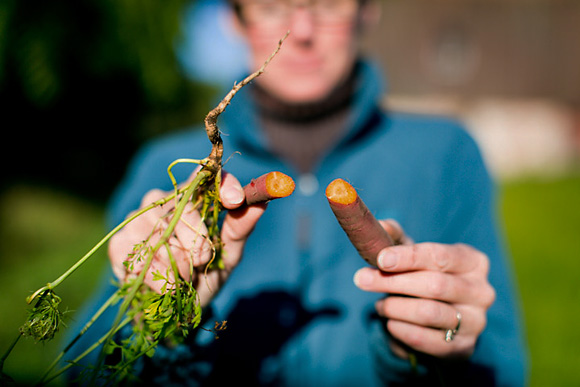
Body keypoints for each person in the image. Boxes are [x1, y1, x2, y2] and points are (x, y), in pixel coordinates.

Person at [70, 0, 528, 384]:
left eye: (328, 3)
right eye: (271, 5)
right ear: (235, 18)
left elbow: (505, 368)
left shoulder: (446, 155)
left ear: (368, 11)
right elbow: (85, 371)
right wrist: (160, 322)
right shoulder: (164, 166)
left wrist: (433, 344)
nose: (302, 30)